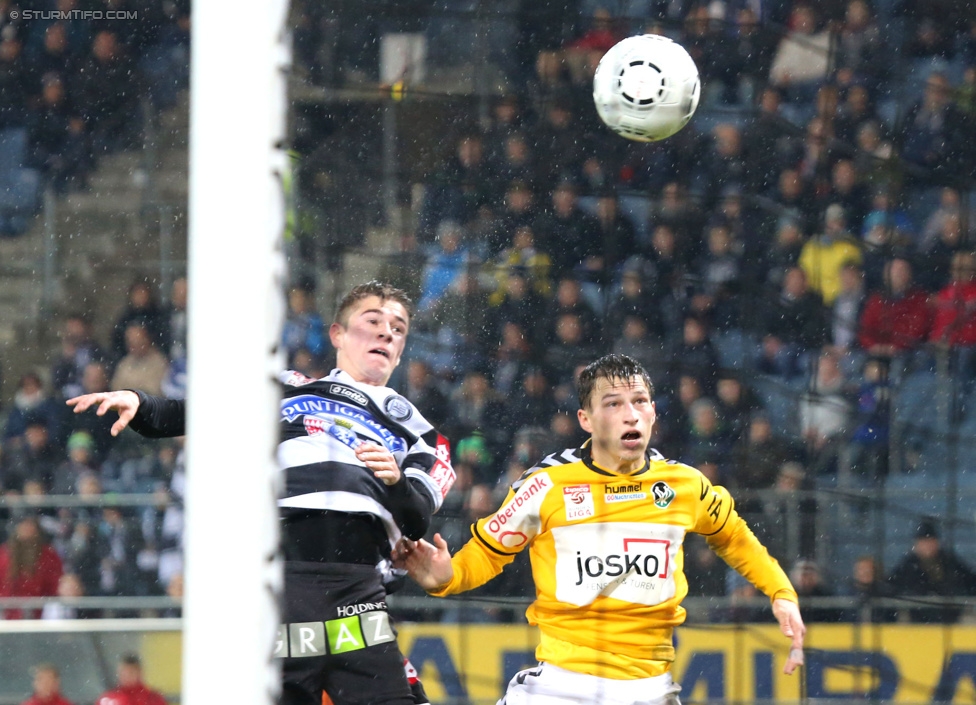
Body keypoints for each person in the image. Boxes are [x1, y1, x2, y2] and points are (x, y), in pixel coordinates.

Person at [67, 281, 453, 705]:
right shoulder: (287, 386)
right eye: (373, 322)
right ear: (337, 334)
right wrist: (142, 405)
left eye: (398, 329)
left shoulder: (422, 434)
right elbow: (196, 412)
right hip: (277, 583)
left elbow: (417, 519)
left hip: (356, 594)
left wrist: (396, 483)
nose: (386, 333)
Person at [394, 353, 805, 704]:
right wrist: (446, 576)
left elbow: (732, 535)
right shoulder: (547, 484)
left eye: (640, 401)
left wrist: (781, 593)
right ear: (585, 419)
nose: (630, 413)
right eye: (613, 403)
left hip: (650, 689)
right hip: (562, 686)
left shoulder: (682, 484)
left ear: (654, 412)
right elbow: (487, 552)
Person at [96, 654, 166, 705]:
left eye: (130, 672)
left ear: (139, 672)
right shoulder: (108, 699)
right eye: (123, 672)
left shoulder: (153, 699)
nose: (126, 676)